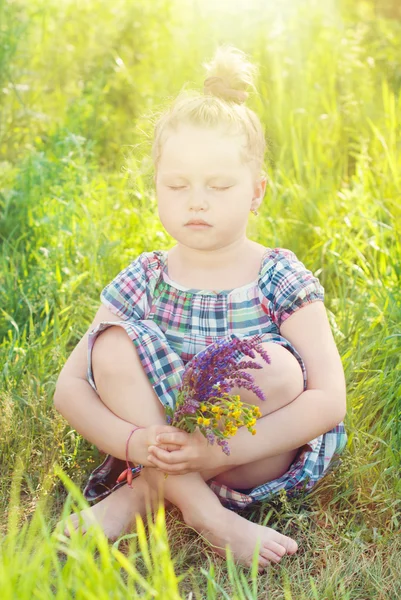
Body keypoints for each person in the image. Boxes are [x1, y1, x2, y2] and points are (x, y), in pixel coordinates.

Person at [54, 45, 347, 571]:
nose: (197, 201)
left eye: (219, 185)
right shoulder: (146, 277)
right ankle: (204, 513)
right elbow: (70, 388)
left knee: (275, 367)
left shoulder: (277, 276)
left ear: (257, 192)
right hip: (153, 441)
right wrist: (136, 440)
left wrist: (211, 453)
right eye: (177, 185)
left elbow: (328, 399)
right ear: (156, 190)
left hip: (243, 456)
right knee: (113, 345)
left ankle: (143, 496)